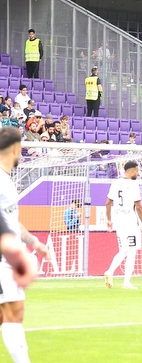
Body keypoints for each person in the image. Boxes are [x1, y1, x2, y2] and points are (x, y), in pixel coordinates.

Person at [0, 127, 50, 363]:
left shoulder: (5, 180)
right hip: (4, 259)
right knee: (13, 314)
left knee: (7, 315)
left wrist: (34, 242)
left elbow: (10, 220)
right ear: (16, 149)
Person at [104, 160, 142, 290]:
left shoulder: (115, 183)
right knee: (131, 251)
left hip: (119, 222)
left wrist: (109, 219)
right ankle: (125, 281)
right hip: (131, 222)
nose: (138, 173)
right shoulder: (133, 185)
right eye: (137, 170)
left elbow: (108, 203)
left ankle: (111, 271)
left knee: (123, 249)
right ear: (131, 171)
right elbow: (138, 206)